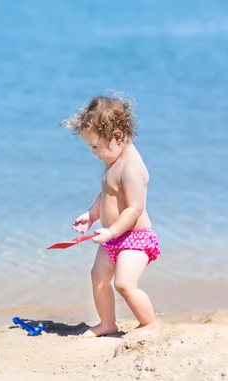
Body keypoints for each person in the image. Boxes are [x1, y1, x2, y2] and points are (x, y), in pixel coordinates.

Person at [63, 95, 161, 338]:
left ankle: (149, 324)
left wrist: (111, 231)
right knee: (98, 278)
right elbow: (108, 194)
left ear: (116, 136)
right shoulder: (114, 160)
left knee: (124, 284)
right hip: (113, 238)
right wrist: (91, 214)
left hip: (134, 238)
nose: (94, 153)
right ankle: (107, 323)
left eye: (95, 146)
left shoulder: (132, 167)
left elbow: (134, 208)